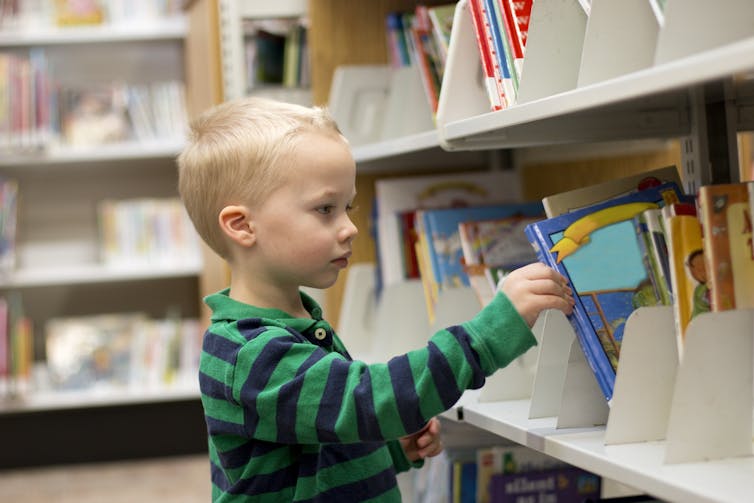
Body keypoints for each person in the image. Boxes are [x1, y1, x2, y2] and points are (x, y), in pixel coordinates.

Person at [177, 97, 574, 502]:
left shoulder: (289, 325)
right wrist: (489, 335)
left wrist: (383, 452)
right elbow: (368, 399)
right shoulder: (250, 353)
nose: (349, 228)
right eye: (324, 209)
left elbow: (316, 436)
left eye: (347, 207)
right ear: (243, 226)